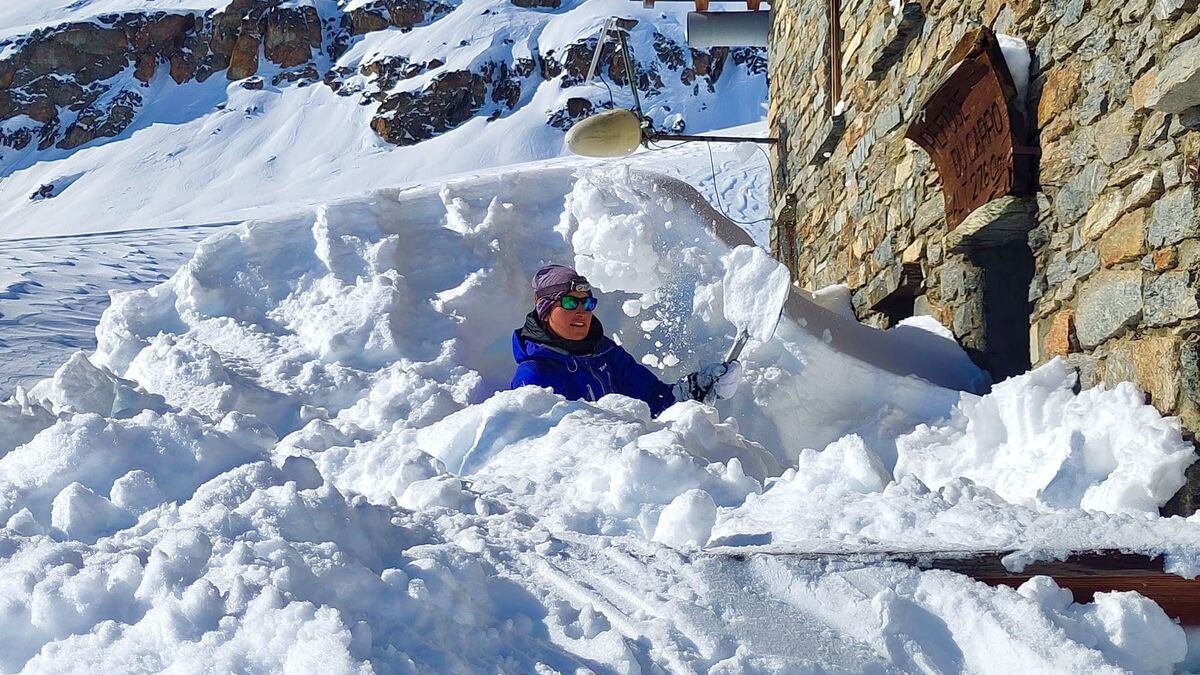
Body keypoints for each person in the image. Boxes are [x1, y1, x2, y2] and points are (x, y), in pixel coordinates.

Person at [511, 264, 740, 417]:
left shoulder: (604, 354)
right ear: (545, 308)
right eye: (570, 303)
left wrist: (701, 387)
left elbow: (656, 399)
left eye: (588, 303)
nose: (581, 311)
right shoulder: (535, 376)